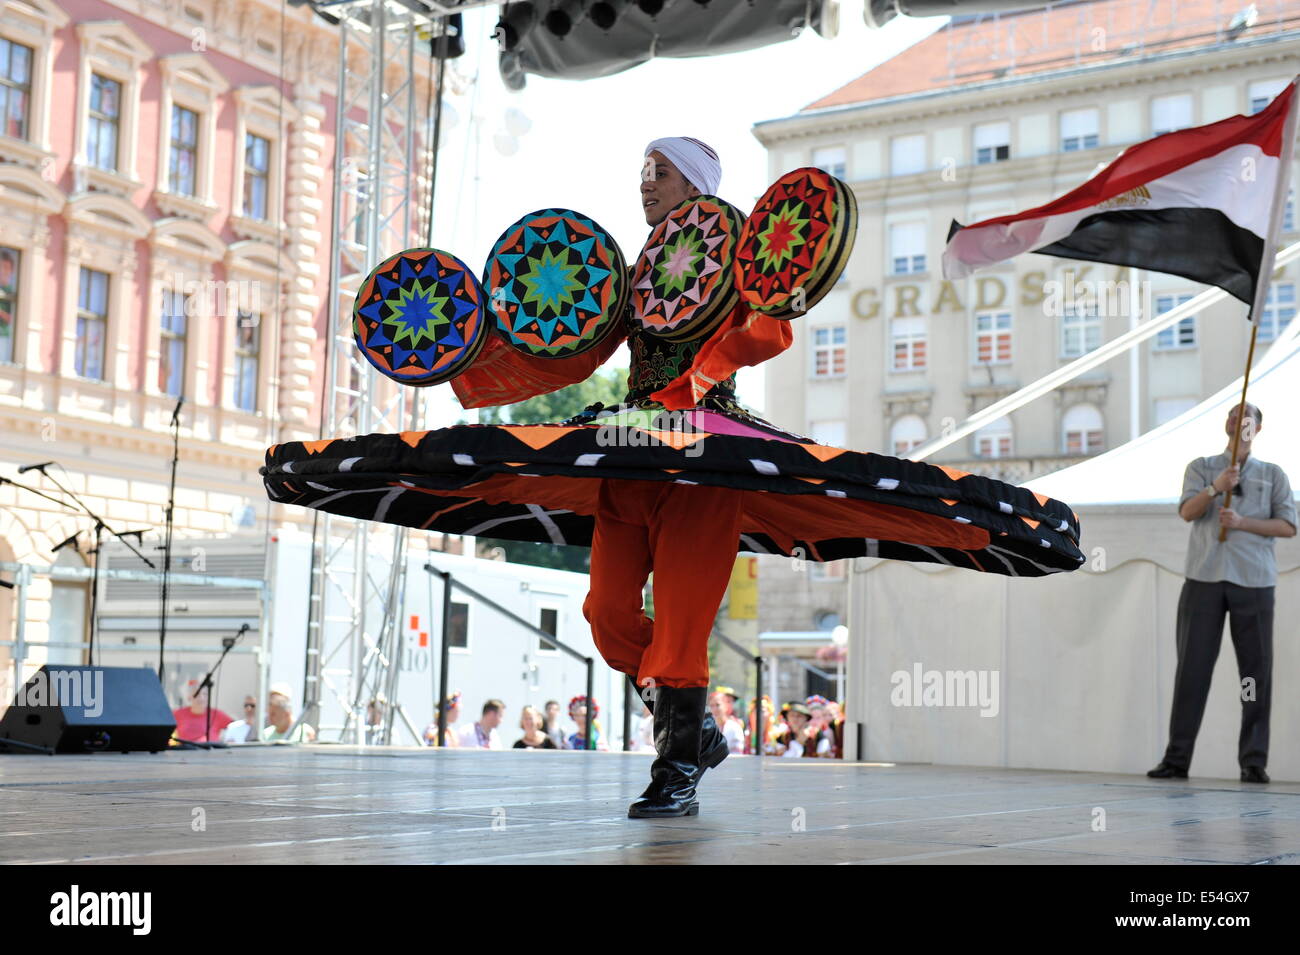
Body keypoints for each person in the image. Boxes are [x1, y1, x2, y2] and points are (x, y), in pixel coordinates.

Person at [1148, 403, 1295, 784]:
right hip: (1204, 580)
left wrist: (1244, 522)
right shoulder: (1201, 467)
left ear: (1258, 428)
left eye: (1249, 418)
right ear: (1226, 423)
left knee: (1253, 675)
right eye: (1234, 415)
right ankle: (1176, 758)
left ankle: (1253, 760)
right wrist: (1217, 488)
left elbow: (1287, 526)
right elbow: (1187, 512)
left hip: (1254, 584)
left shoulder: (1273, 475)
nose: (1240, 421)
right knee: (1192, 670)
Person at [709, 687, 745, 754]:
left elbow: (737, 755)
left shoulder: (735, 727)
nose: (714, 709)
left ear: (726, 705)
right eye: (711, 705)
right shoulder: (709, 727)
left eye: (718, 705)